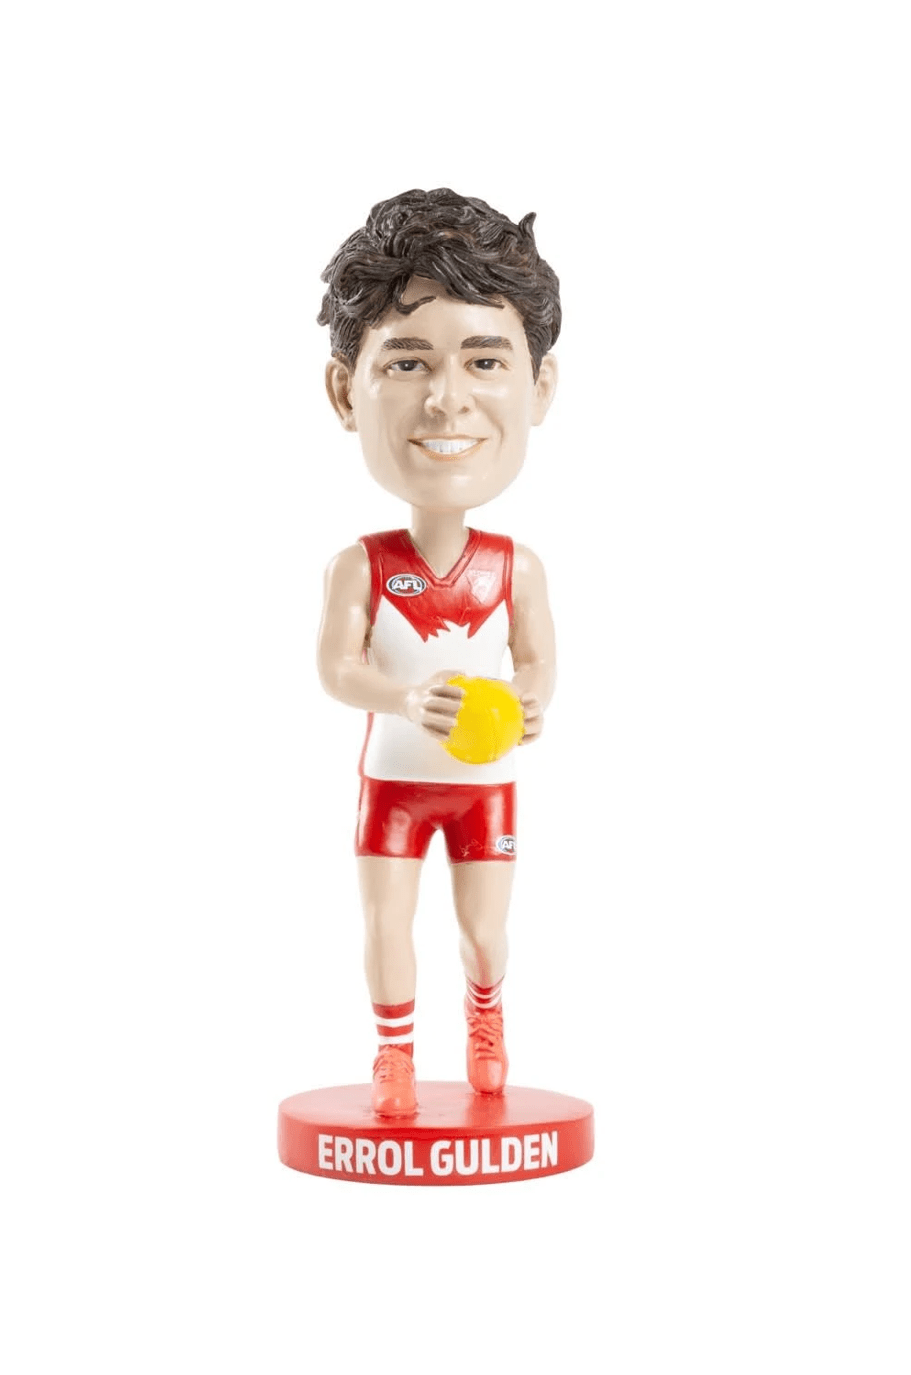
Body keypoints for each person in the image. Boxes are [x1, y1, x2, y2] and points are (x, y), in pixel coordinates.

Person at [316, 188, 560, 1116]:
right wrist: (402, 699)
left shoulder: (514, 565)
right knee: (386, 921)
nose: (446, 397)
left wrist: (531, 699)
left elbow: (538, 658)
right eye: (408, 359)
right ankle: (394, 1055)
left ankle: (486, 1017)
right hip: (393, 779)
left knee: (485, 934)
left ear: (539, 388)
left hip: (482, 780)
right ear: (346, 390)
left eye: (485, 359)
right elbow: (336, 667)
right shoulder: (363, 565)